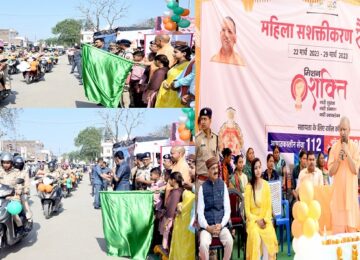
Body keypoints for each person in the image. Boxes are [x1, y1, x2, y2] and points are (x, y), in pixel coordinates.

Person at [328, 116, 360, 234]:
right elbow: (331, 172)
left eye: (345, 129)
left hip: (350, 200)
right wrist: (338, 160)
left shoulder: (355, 147)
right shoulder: (334, 148)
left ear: (349, 130)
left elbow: (355, 170)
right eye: (340, 129)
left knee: (352, 238)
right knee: (338, 237)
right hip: (338, 199)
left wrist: (347, 152)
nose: (342, 132)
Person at [197, 157, 233, 260]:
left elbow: (227, 210)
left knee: (230, 241)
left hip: (221, 226)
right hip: (207, 228)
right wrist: (208, 227)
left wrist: (221, 225)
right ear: (208, 171)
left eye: (216, 168)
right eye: (213, 168)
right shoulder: (202, 188)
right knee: (203, 245)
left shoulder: (223, 186)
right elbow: (200, 213)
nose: (216, 171)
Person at [244, 158, 278, 260]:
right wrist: (257, 220)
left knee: (269, 236)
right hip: (253, 221)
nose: (258, 170)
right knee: (255, 237)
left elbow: (268, 207)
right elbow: (247, 211)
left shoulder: (266, 185)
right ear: (252, 170)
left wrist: (265, 220)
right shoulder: (249, 187)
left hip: (264, 219)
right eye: (255, 168)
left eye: (259, 167)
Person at [0, 153, 32, 232]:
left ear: (11, 163)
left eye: (8, 162)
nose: (6, 164)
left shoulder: (16, 172)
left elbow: (19, 184)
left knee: (13, 211)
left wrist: (18, 193)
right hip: (2, 195)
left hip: (13, 196)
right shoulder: (0, 171)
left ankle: (20, 226)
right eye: (4, 162)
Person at [195, 108, 219, 192]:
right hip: (201, 182)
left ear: (210, 120)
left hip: (213, 182)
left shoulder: (216, 138)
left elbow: (217, 160)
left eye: (205, 119)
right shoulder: (197, 139)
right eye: (201, 119)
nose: (202, 122)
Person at [161, 171, 184, 254]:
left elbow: (172, 208)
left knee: (168, 238)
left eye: (170, 180)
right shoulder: (177, 191)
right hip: (173, 219)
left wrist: (167, 221)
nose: (168, 181)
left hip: (172, 220)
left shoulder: (176, 193)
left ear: (174, 180)